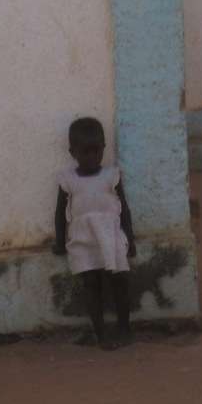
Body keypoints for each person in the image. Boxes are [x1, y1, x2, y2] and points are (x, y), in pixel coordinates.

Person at [52, 116, 137, 349]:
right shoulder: (67, 180)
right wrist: (60, 241)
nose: (91, 158)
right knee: (91, 284)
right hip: (83, 240)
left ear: (104, 149)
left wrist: (130, 237)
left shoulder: (112, 176)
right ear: (73, 152)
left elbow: (124, 209)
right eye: (85, 152)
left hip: (111, 236)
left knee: (118, 281)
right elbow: (60, 213)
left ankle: (124, 328)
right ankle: (100, 333)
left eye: (96, 152)